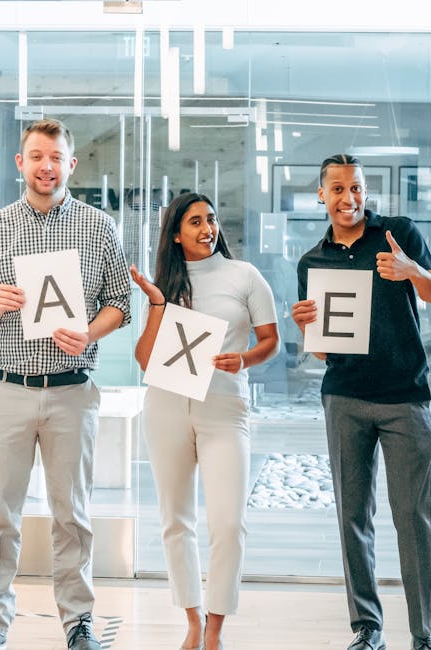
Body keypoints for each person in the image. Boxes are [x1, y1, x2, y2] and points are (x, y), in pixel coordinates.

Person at [0, 118, 131, 650]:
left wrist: (90, 331)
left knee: (72, 515)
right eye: (36, 156)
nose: (46, 166)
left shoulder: (99, 228)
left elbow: (120, 303)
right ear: (20, 163)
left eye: (55, 157)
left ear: (70, 165)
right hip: (5, 388)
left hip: (72, 390)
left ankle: (79, 623)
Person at [291, 154, 431, 650]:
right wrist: (305, 325)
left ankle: (422, 634)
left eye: (355, 188)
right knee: (352, 516)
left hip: (405, 398)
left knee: (412, 517)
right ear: (322, 195)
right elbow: (320, 348)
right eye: (337, 189)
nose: (348, 198)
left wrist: (410, 270)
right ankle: (367, 627)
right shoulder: (312, 261)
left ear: (365, 191)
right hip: (345, 397)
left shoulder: (399, 233)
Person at [130, 192, 279, 650]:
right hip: (167, 405)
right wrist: (157, 305)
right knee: (176, 520)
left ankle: (216, 627)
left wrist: (245, 359)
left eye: (211, 219)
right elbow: (143, 360)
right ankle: (192, 620)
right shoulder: (166, 284)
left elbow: (270, 340)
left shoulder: (245, 276)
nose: (206, 228)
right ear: (176, 234)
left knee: (229, 523)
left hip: (225, 407)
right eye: (194, 222)